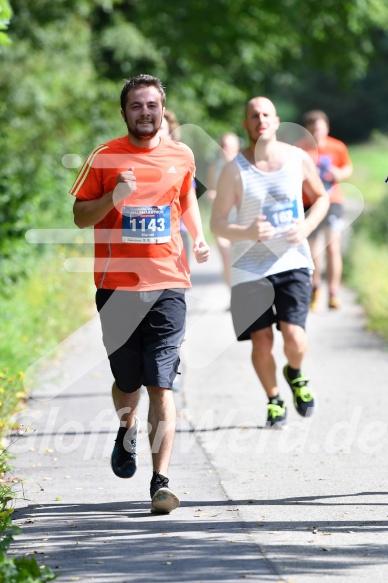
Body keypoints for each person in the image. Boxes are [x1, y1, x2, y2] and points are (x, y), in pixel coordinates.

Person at [70, 74, 210, 513]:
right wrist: (115, 195)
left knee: (160, 383)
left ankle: (160, 481)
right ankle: (125, 429)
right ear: (124, 111)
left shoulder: (181, 155)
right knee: (128, 382)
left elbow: (185, 199)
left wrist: (198, 237)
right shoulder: (105, 157)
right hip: (116, 287)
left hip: (168, 282)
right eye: (136, 106)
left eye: (152, 105)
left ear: (161, 108)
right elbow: (79, 216)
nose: (145, 113)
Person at [210, 96, 329, 428]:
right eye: (253, 115)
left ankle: (295, 373)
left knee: (294, 336)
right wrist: (247, 231)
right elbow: (217, 223)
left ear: (276, 122)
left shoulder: (297, 158)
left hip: (292, 260)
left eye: (266, 114)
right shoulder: (234, 170)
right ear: (246, 124)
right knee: (261, 339)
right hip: (249, 268)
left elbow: (321, 198)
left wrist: (306, 225)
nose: (260, 119)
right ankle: (274, 399)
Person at [301, 110, 353, 310]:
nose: (317, 134)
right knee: (313, 250)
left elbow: (348, 168)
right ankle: (315, 290)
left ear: (327, 129)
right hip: (308, 203)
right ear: (307, 130)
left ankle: (333, 292)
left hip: (333, 201)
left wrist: (339, 172)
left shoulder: (337, 146)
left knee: (332, 246)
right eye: (313, 130)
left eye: (320, 130)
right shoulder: (299, 149)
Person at [159, 109, 193, 264]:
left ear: (171, 135)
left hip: (177, 235)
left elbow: (189, 200)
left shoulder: (181, 163)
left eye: (161, 129)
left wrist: (198, 236)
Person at [207, 133, 240, 287]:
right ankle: (233, 295)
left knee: (240, 261)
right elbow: (211, 190)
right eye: (224, 145)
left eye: (231, 146)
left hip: (240, 220)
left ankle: (243, 292)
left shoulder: (244, 166)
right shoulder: (215, 168)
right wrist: (212, 195)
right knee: (226, 258)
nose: (227, 149)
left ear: (237, 148)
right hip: (222, 220)